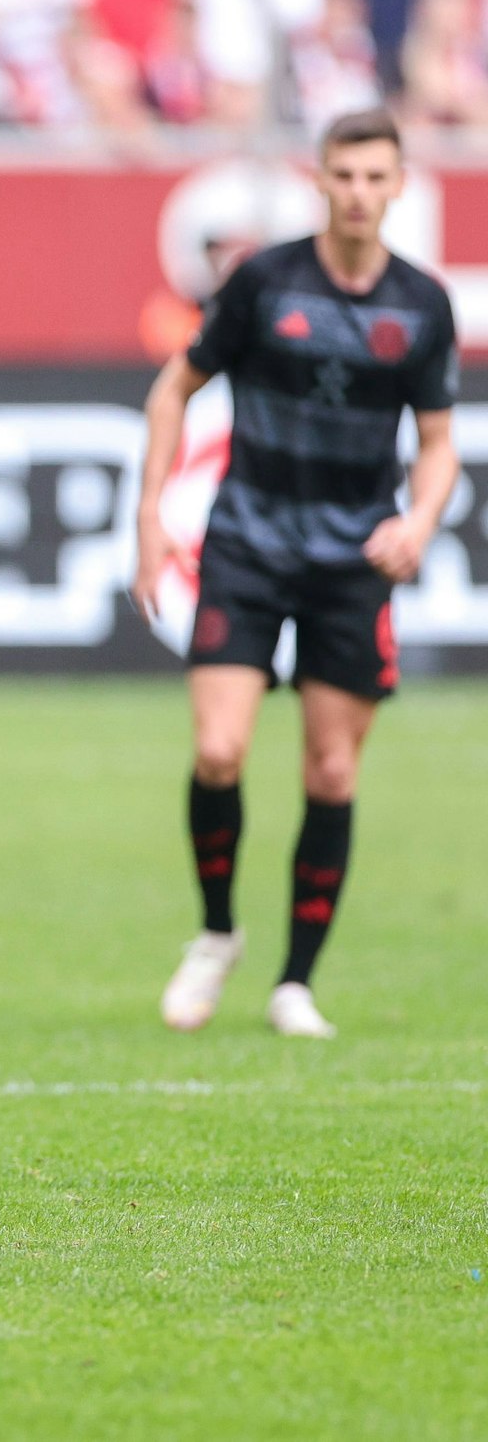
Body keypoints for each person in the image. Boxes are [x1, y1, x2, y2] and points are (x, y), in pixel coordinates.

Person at [136, 108, 459, 1040]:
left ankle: (295, 983)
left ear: (398, 187)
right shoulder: (263, 281)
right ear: (318, 180)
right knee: (219, 752)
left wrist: (418, 521)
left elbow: (438, 443)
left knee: (331, 769)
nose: (358, 192)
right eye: (343, 175)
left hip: (352, 561)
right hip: (248, 542)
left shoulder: (422, 305)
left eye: (375, 177)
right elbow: (174, 388)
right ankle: (217, 933)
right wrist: (150, 517)